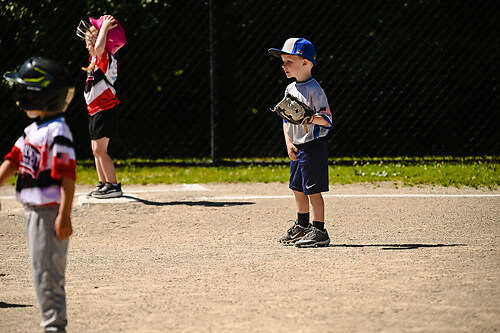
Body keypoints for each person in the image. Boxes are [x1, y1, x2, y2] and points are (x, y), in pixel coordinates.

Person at [0, 57, 76, 332]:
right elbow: (12, 160)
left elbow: (68, 175)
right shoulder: (32, 131)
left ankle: (55, 327)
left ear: (40, 97)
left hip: (49, 213)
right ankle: (51, 324)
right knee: (39, 272)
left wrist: (64, 215)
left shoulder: (58, 131)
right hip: (33, 213)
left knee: (48, 274)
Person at [268, 38, 333, 247]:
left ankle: (320, 230)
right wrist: (288, 143)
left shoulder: (315, 89)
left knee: (312, 189)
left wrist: (309, 117)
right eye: (283, 61)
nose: (283, 65)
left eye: (289, 61)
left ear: (305, 63)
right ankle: (302, 226)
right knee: (297, 188)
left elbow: (328, 120)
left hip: (312, 145)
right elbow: (286, 119)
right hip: (297, 145)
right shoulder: (289, 89)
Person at [76, 15, 124, 198]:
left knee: (100, 150)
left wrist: (104, 27)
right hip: (96, 111)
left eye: (90, 43)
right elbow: (96, 49)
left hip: (104, 111)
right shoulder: (97, 60)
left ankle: (113, 185)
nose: (87, 46)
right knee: (96, 150)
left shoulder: (105, 57)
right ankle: (103, 183)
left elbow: (99, 48)